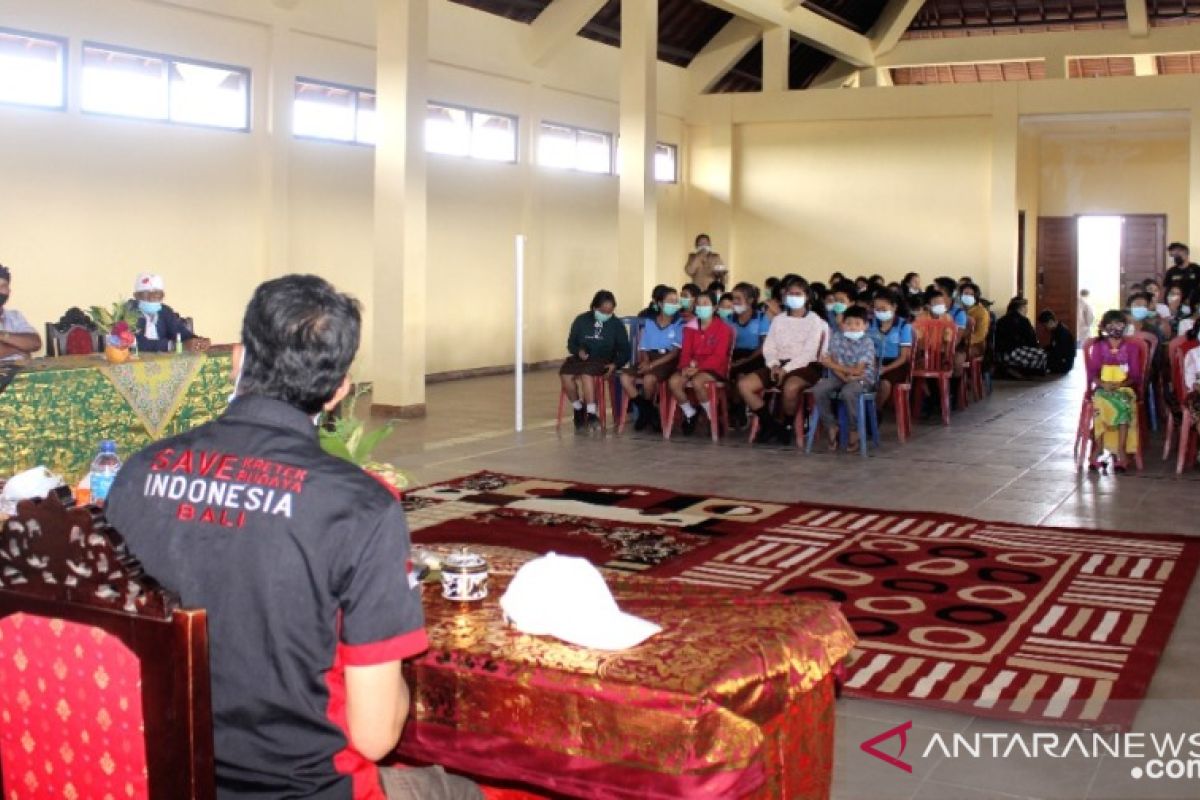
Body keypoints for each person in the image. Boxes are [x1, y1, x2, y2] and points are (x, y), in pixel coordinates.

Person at [106, 274, 480, 800]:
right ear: (338, 391)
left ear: (237, 360)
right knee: (461, 792)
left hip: (164, 777)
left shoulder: (138, 473)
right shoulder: (361, 507)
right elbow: (375, 737)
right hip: (306, 789)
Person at [737, 277, 830, 445]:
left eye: (798, 294)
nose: (794, 297)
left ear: (807, 296)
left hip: (805, 366)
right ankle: (770, 424)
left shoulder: (816, 321)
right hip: (778, 364)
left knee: (791, 387)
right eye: (790, 294)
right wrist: (773, 364)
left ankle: (787, 426)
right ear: (785, 297)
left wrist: (786, 370)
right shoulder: (779, 320)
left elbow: (809, 353)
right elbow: (769, 346)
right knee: (745, 385)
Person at [560, 290, 632, 432]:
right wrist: (578, 351)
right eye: (603, 311)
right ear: (594, 308)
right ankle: (578, 408)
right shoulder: (581, 320)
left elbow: (625, 351)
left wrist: (615, 364)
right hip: (581, 359)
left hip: (602, 360)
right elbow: (571, 343)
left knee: (587, 375)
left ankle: (592, 413)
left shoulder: (616, 325)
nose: (606, 315)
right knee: (565, 374)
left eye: (610, 312)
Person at [1085, 310, 1143, 473]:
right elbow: (1092, 372)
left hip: (1124, 388)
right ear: (1103, 326)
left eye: (1118, 323)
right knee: (1102, 402)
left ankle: (1121, 452)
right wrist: (1102, 384)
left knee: (1123, 402)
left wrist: (1121, 384)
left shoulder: (1131, 347)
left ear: (1124, 326)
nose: (1114, 327)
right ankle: (1098, 449)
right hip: (1103, 388)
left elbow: (1136, 375)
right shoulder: (1098, 346)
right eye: (1110, 324)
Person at [668, 291, 734, 436]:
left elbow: (719, 356)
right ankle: (690, 412)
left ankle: (712, 417)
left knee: (698, 382)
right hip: (691, 366)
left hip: (714, 367)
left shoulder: (723, 329)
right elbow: (685, 352)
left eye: (706, 304)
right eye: (698, 304)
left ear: (714, 307)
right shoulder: (690, 327)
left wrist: (698, 369)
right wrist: (685, 367)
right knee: (673, 382)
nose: (701, 307)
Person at [813, 306, 877, 452]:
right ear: (842, 324)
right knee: (819, 389)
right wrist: (843, 375)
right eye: (848, 323)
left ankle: (854, 430)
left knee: (849, 392)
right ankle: (831, 425)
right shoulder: (837, 338)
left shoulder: (867, 342)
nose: (852, 327)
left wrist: (832, 365)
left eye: (857, 323)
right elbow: (834, 363)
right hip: (839, 376)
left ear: (865, 326)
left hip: (863, 378)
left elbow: (858, 370)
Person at [620, 286, 682, 433]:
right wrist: (646, 361)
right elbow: (644, 347)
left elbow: (674, 353)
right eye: (670, 301)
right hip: (649, 359)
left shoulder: (679, 324)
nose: (674, 304)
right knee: (624, 378)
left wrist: (652, 365)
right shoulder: (650, 323)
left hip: (667, 361)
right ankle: (648, 411)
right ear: (660, 304)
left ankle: (645, 414)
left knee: (648, 379)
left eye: (676, 301)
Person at [129, 272, 211, 353]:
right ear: (136, 296)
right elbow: (137, 342)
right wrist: (174, 346)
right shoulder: (127, 312)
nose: (151, 298)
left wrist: (199, 341)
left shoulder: (164, 311)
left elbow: (180, 332)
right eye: (146, 294)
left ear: (162, 296)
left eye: (157, 294)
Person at [726, 283, 767, 425]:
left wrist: (745, 361)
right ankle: (733, 407)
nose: (734, 302)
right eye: (733, 298)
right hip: (734, 354)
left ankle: (739, 410)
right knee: (725, 373)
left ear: (750, 300)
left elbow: (764, 346)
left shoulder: (761, 318)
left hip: (755, 356)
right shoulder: (729, 319)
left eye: (738, 298)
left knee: (741, 375)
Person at [869, 290, 913, 411]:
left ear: (894, 307)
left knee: (884, 385)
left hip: (896, 364)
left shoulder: (904, 325)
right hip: (873, 362)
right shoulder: (869, 324)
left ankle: (875, 412)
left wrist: (884, 369)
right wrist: (873, 365)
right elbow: (866, 348)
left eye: (883, 308)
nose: (880, 312)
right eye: (877, 309)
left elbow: (904, 357)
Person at [994, 296, 1047, 378]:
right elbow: (1031, 341)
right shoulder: (1023, 321)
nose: (1026, 309)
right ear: (1021, 308)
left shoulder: (1001, 320)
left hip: (998, 355)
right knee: (1043, 355)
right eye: (1026, 307)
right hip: (1012, 353)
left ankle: (1009, 369)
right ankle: (1019, 370)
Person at [0, 264, 42, 362]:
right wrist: (21, 348)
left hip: (21, 372)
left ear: (9, 291)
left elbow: (36, 343)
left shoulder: (15, 316)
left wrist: (2, 336)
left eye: (3, 286)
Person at [1037, 310, 1076, 375]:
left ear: (1050, 322)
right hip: (1058, 359)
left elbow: (1059, 352)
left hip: (1064, 364)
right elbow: (1053, 346)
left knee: (1037, 363)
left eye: (1045, 325)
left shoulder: (1062, 333)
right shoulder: (1055, 330)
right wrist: (1042, 349)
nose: (1045, 328)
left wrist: (1045, 355)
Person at [959, 282, 989, 359]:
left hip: (975, 345)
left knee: (956, 353)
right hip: (957, 342)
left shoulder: (982, 312)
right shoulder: (958, 310)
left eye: (971, 294)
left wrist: (963, 341)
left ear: (976, 297)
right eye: (965, 294)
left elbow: (980, 335)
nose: (968, 296)